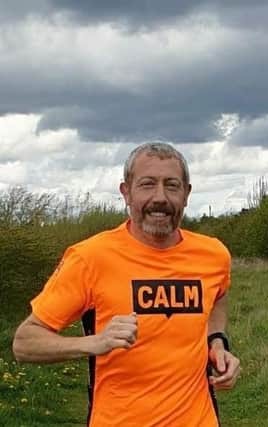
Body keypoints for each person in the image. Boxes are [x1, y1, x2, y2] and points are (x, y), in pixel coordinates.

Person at [13, 142, 240, 427]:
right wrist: (94, 342)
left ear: (186, 194)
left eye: (172, 185)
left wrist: (216, 342)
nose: (160, 197)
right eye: (147, 184)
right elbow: (24, 342)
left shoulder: (213, 255)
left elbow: (218, 295)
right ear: (126, 193)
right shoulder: (89, 258)